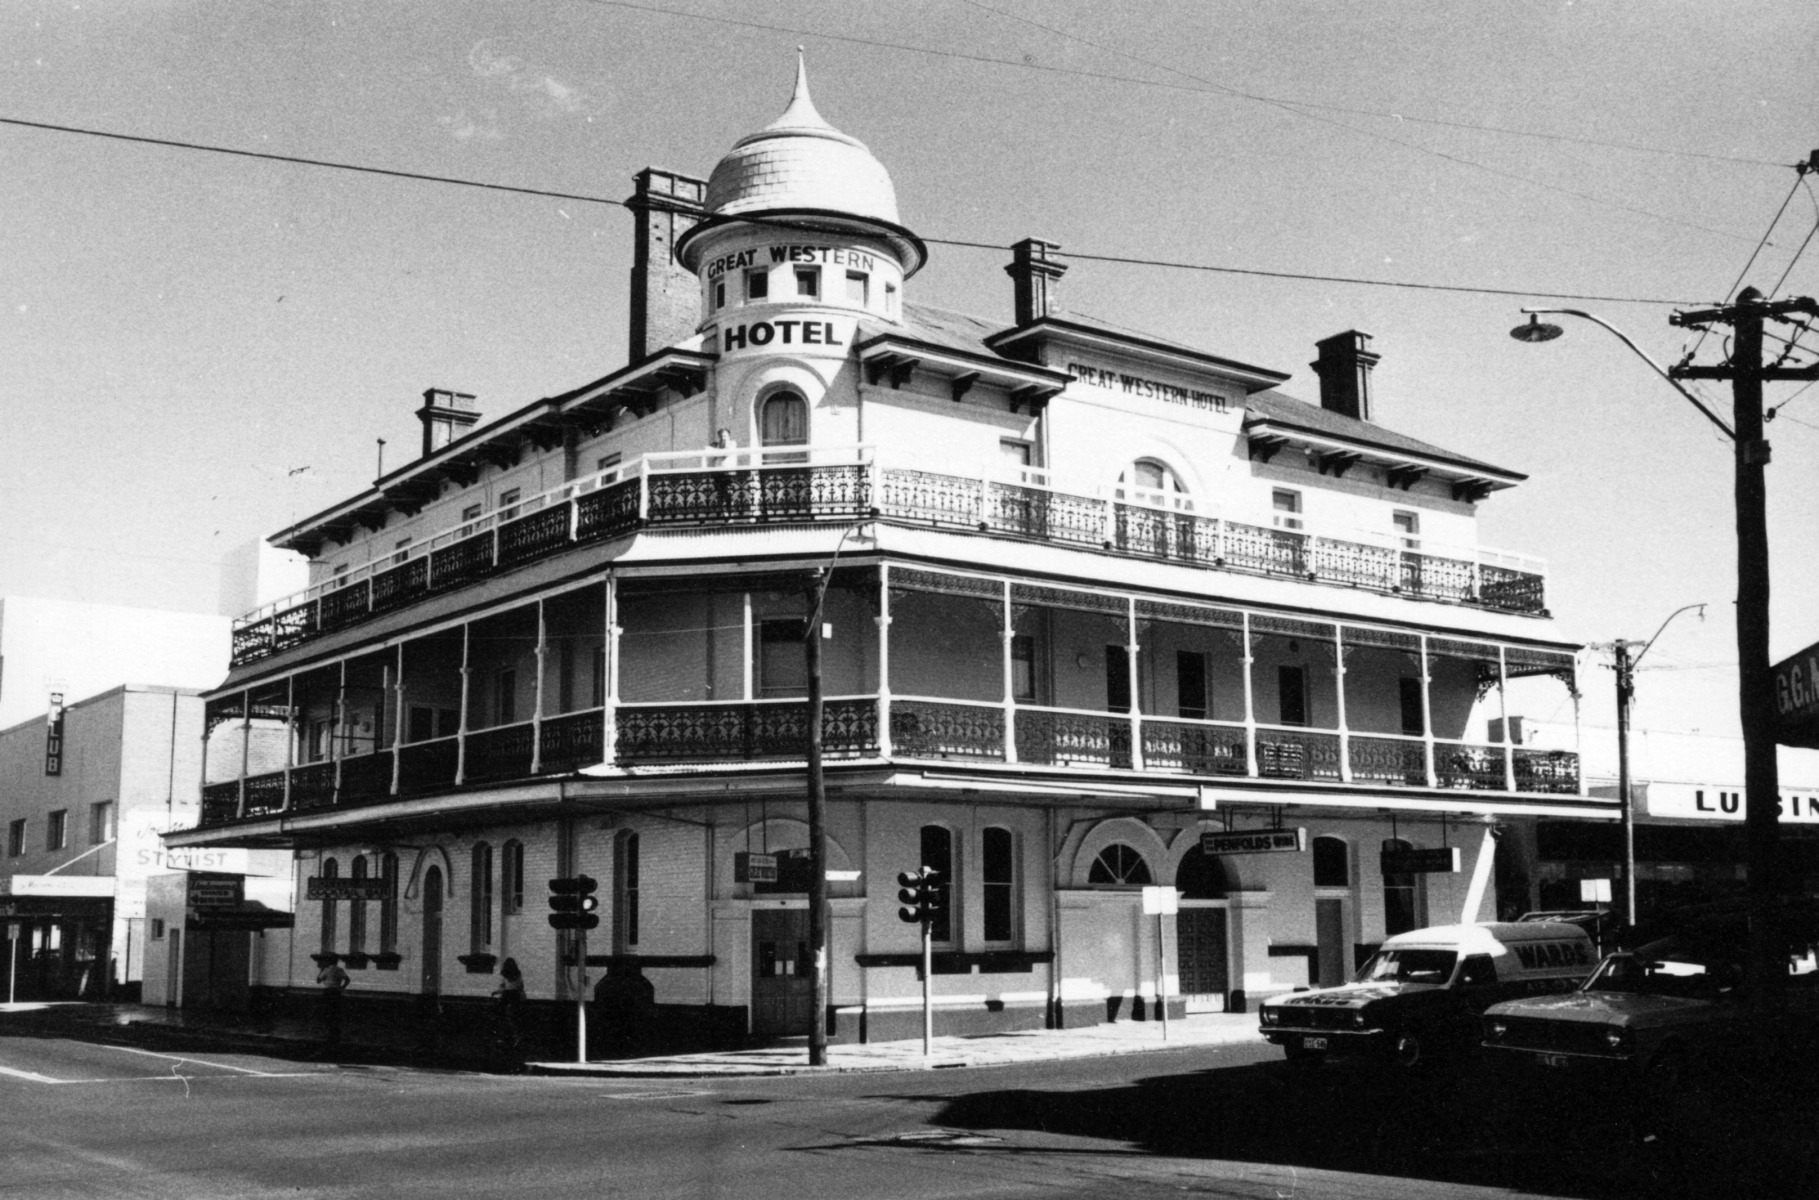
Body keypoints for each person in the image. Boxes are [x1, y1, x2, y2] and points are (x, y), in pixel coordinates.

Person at [316, 958, 351, 1049]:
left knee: (327, 1011)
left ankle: (328, 1033)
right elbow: (347, 979)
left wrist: (321, 970)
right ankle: (335, 1034)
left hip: (328, 992)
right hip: (336, 992)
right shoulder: (340, 970)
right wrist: (342, 988)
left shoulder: (327, 970)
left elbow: (318, 980)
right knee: (335, 1012)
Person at [491, 957, 525, 1052]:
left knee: (502, 1016)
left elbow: (502, 987)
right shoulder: (518, 974)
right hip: (515, 995)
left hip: (507, 995)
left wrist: (496, 992)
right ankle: (517, 1036)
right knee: (513, 1017)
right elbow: (521, 986)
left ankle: (502, 1037)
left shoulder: (504, 974)